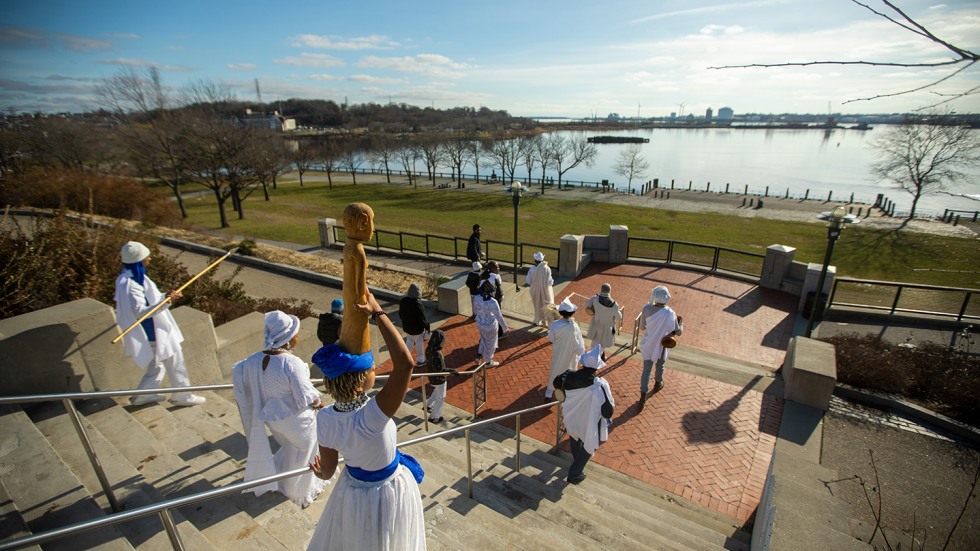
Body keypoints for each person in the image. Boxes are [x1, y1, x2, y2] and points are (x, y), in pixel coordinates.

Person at [307, 292, 426, 551]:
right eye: (372, 369)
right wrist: (378, 314)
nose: (375, 371)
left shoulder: (325, 418)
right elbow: (405, 364)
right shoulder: (372, 415)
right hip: (388, 493)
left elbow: (327, 469)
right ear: (361, 380)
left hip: (352, 492)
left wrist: (321, 472)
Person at [232, 311, 326, 508]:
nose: (298, 336)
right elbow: (306, 395)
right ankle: (298, 492)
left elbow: (240, 374)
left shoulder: (253, 360)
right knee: (305, 452)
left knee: (290, 448)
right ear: (289, 337)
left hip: (273, 419)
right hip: (298, 422)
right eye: (296, 333)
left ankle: (282, 478)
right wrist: (319, 403)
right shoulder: (292, 363)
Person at [114, 241, 206, 407]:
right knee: (175, 360)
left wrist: (166, 296)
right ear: (138, 260)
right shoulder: (132, 285)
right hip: (154, 332)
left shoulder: (128, 278)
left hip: (152, 330)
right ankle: (182, 396)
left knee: (157, 364)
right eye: (146, 257)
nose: (149, 259)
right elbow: (141, 313)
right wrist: (166, 301)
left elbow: (151, 299)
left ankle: (143, 395)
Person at [553, 344, 614, 484]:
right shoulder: (600, 386)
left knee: (575, 438)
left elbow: (556, 383)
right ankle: (575, 473)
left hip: (570, 418)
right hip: (588, 423)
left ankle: (577, 461)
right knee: (588, 445)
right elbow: (607, 412)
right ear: (597, 366)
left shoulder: (567, 375)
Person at [637, 285, 684, 410]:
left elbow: (642, 327)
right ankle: (658, 383)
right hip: (662, 345)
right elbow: (678, 332)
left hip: (648, 344)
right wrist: (681, 323)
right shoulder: (670, 313)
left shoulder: (646, 308)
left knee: (646, 370)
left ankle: (642, 396)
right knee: (660, 365)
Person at [338, 202, 374, 356]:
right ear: (363, 222)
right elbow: (360, 289)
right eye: (372, 221)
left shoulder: (348, 244)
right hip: (356, 302)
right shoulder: (358, 252)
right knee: (358, 330)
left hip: (346, 294)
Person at [546, 297, 585, 401]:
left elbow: (550, 338)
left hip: (558, 353)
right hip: (570, 356)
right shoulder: (575, 326)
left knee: (555, 370)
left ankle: (548, 394)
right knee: (569, 373)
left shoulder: (555, 324)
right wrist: (580, 353)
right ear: (572, 313)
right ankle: (566, 391)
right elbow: (580, 345)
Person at [423, 329, 457, 424]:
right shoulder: (437, 354)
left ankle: (428, 405)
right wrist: (452, 371)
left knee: (436, 391)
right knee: (441, 397)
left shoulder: (429, 349)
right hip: (439, 378)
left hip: (432, 376)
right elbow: (442, 369)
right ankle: (434, 417)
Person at [473, 280, 509, 368]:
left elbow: (475, 311)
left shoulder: (476, 298)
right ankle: (488, 362)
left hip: (480, 324)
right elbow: (498, 316)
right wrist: (505, 328)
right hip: (490, 326)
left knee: (483, 339)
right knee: (491, 344)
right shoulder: (492, 302)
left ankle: (479, 355)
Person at [584, 283, 623, 360]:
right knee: (603, 344)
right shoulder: (614, 304)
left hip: (596, 324)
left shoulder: (595, 298)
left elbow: (587, 304)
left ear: (601, 289)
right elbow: (619, 317)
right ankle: (595, 360)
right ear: (609, 291)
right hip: (607, 327)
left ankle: (595, 358)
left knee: (594, 344)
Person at [398, 283, 430, 366]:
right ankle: (421, 360)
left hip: (407, 327)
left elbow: (400, 315)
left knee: (409, 341)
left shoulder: (403, 301)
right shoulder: (418, 304)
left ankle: (405, 358)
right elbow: (423, 319)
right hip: (417, 329)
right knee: (419, 343)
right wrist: (427, 327)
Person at [528, 251, 555, 326]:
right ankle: (546, 321)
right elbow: (550, 281)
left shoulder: (532, 269)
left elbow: (528, 281)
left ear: (535, 260)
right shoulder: (547, 268)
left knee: (537, 305)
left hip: (535, 290)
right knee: (546, 306)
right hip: (546, 290)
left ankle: (537, 320)